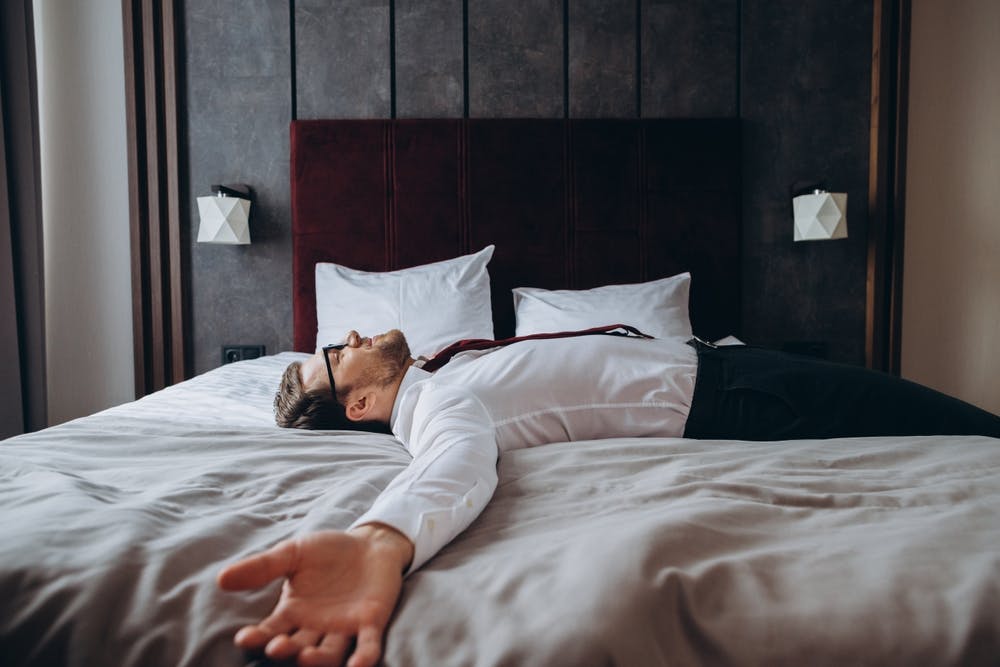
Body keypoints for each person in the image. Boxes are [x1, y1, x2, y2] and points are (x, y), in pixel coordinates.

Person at [218, 327, 1000, 667]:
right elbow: (456, 462)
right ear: (357, 406)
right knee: (961, 426)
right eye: (332, 355)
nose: (347, 337)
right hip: (733, 394)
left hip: (724, 371)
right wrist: (380, 538)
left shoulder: (440, 376)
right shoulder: (436, 406)